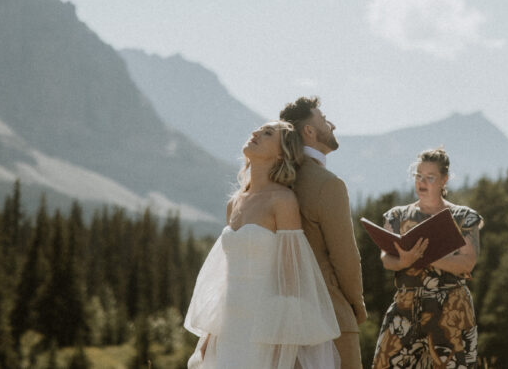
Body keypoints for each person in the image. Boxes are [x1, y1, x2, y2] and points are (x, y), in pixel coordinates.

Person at [184, 121, 340, 369]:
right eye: (257, 130)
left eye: (267, 133)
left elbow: (291, 277)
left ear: (281, 153)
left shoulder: (283, 200)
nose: (255, 133)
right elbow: (223, 278)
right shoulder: (234, 203)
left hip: (263, 328)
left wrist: (282, 343)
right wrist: (207, 340)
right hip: (229, 325)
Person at [371, 147, 484, 369]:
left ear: (444, 180)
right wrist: (404, 261)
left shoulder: (463, 217)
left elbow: (467, 263)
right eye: (418, 176)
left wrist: (424, 257)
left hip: (451, 309)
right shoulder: (397, 216)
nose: (422, 182)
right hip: (405, 307)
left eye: (430, 177)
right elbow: (386, 258)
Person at [281, 96, 368, 369]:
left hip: (283, 317)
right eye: (323, 120)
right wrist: (356, 305)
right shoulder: (328, 184)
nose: (332, 124)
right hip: (330, 313)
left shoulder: (278, 179)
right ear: (309, 131)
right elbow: (346, 258)